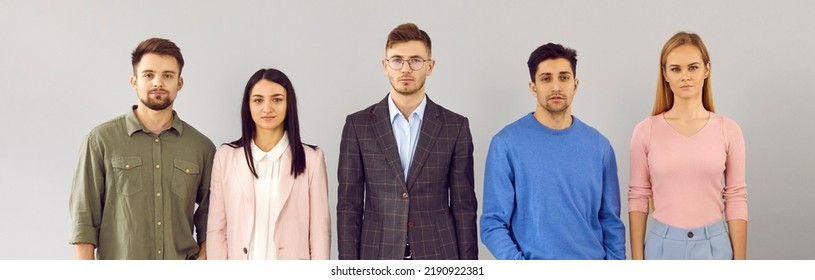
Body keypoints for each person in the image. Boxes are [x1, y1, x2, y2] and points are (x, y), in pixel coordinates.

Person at [337, 23, 478, 260]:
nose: (405, 68)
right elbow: (348, 205)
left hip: (438, 254)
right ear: (385, 66)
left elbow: (464, 207)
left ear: (430, 66)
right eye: (397, 60)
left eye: (415, 60)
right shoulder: (357, 126)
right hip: (376, 254)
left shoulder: (455, 126)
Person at [68, 38, 215, 260]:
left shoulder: (201, 147)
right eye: (148, 75)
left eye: (168, 75)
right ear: (134, 81)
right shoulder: (100, 141)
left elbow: (210, 216)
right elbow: (84, 220)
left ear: (180, 82)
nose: (158, 83)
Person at [480, 43, 626, 260]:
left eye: (564, 77)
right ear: (533, 87)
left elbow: (611, 222)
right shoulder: (506, 144)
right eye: (546, 78)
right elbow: (492, 223)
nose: (556, 87)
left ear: (575, 85)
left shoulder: (600, 147)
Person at [628, 31, 747, 260]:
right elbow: (638, 196)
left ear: (706, 69)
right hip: (661, 249)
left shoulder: (728, 130)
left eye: (693, 67)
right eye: (676, 69)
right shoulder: (645, 131)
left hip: (715, 248)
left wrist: (740, 264)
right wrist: (637, 262)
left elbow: (736, 196)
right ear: (665, 74)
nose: (685, 76)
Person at [206, 69, 330, 260]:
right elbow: (217, 229)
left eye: (277, 99)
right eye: (258, 100)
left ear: (289, 104)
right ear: (248, 105)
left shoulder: (312, 159)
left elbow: (320, 232)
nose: (267, 108)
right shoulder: (226, 157)